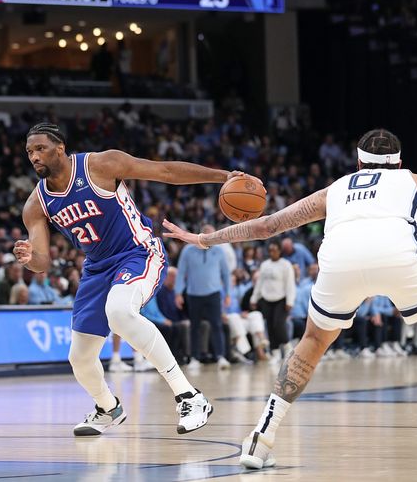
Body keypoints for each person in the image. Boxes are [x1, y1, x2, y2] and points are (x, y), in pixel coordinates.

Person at [163, 128, 417, 469]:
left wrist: (205, 239)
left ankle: (261, 436)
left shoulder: (336, 189)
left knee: (311, 342)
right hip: (399, 257)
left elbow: (267, 226)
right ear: (399, 162)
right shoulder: (414, 181)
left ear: (358, 163)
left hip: (340, 262)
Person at [14, 122, 253, 436]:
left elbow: (165, 171)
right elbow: (42, 262)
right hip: (97, 269)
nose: (34, 156)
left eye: (40, 148)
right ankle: (107, 408)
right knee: (80, 357)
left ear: (60, 148)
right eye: (30, 151)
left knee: (120, 312)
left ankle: (190, 397)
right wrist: (30, 259)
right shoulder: (36, 204)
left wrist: (224, 176)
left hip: (137, 251)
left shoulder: (100, 164)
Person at [175, 224, 232, 370]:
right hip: (194, 294)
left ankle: (220, 356)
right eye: (210, 236)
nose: (213, 239)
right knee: (194, 327)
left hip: (214, 293)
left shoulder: (219, 251)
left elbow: (225, 274)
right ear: (202, 235)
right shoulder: (188, 250)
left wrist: (228, 294)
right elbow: (181, 272)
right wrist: (178, 293)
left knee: (217, 325)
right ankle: (195, 358)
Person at [251, 241, 296, 361]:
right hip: (266, 299)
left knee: (278, 324)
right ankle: (275, 352)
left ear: (279, 251)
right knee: (270, 326)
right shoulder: (265, 265)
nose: (272, 253)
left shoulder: (286, 265)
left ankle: (287, 346)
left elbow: (290, 284)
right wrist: (254, 298)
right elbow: (259, 283)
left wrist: (290, 301)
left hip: (281, 299)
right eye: (270, 250)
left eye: (274, 250)